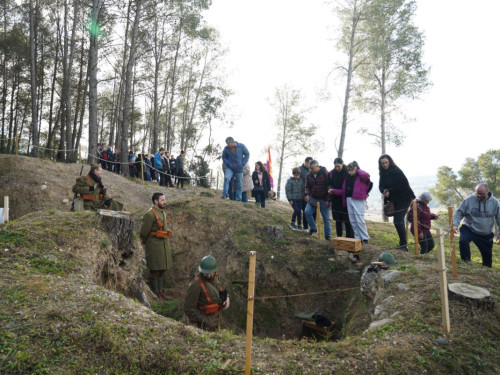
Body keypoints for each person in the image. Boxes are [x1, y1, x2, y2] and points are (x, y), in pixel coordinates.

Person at [453, 183, 500, 267]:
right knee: (463, 241)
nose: (479, 195)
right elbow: (459, 212)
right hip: (469, 228)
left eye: (481, 194)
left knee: (487, 259)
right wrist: (455, 224)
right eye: (477, 193)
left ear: (487, 191)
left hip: (485, 233)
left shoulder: (495, 203)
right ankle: (466, 262)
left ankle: (486, 270)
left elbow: (499, 219)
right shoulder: (469, 200)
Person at [140, 192, 173, 300]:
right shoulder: (150, 214)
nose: (164, 202)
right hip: (154, 246)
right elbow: (144, 232)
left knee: (162, 269)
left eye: (164, 199)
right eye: (162, 200)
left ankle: (161, 291)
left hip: (163, 245)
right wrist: (145, 243)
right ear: (156, 201)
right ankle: (156, 294)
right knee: (155, 271)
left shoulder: (162, 212)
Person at [378, 154, 415, 251]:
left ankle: (403, 245)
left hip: (404, 198)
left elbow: (404, 185)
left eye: (386, 162)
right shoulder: (382, 173)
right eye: (382, 163)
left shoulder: (396, 171)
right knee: (397, 221)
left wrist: (390, 191)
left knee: (398, 220)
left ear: (389, 161)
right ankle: (402, 244)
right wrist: (384, 191)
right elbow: (381, 186)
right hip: (393, 199)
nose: (385, 165)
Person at [184, 255, 230, 331]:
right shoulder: (195, 285)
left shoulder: (214, 276)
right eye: (206, 273)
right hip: (206, 324)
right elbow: (188, 309)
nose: (209, 275)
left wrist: (226, 297)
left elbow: (218, 289)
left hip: (219, 320)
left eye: (211, 273)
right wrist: (204, 321)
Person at [332, 161, 371, 247]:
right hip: (348, 199)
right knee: (352, 220)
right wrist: (334, 191)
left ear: (356, 169)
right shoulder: (347, 178)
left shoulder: (360, 177)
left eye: (352, 170)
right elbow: (343, 191)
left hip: (358, 199)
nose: (350, 172)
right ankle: (357, 237)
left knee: (359, 219)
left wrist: (357, 169)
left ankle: (365, 238)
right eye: (349, 170)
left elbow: (366, 175)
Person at [304, 160, 332, 240]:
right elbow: (307, 187)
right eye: (310, 168)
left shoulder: (325, 173)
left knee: (326, 218)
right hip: (313, 198)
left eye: (312, 168)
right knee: (307, 212)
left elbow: (329, 186)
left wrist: (328, 200)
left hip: (324, 199)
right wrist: (307, 194)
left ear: (317, 166)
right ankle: (313, 229)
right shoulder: (309, 175)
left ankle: (328, 236)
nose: (311, 170)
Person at [328, 158, 354, 238]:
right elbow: (328, 183)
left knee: (347, 220)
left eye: (338, 166)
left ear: (342, 164)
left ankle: (349, 237)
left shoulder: (348, 172)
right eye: (335, 166)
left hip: (346, 200)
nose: (337, 168)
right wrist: (330, 189)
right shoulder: (331, 173)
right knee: (337, 220)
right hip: (335, 199)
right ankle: (339, 237)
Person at [221, 136, 250, 201]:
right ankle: (224, 194)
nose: (228, 145)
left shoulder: (241, 146)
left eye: (229, 144)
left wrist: (243, 163)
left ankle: (238, 198)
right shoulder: (226, 148)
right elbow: (223, 156)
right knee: (226, 178)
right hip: (230, 167)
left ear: (233, 142)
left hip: (239, 168)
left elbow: (247, 154)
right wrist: (227, 163)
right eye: (227, 144)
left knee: (239, 183)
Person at [300, 157, 313, 232]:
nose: (310, 165)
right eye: (309, 163)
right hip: (301, 194)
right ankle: (305, 227)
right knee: (304, 211)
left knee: (309, 211)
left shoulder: (311, 171)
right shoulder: (300, 170)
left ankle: (310, 227)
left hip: (310, 195)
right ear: (305, 162)